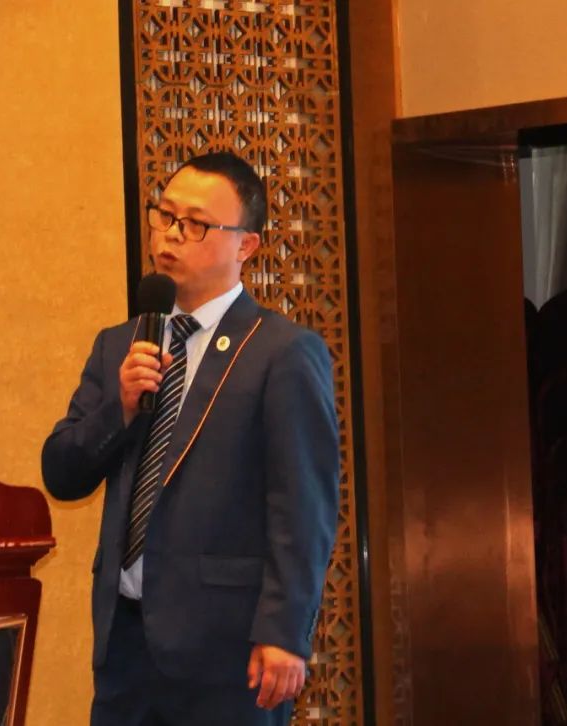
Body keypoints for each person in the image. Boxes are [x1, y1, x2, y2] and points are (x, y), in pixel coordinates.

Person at [41, 151, 339, 725]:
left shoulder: (281, 351)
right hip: (126, 645)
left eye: (196, 224)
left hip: (229, 651)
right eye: (166, 216)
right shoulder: (119, 344)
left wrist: (284, 632)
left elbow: (303, 507)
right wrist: (120, 408)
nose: (172, 235)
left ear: (245, 246)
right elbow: (62, 472)